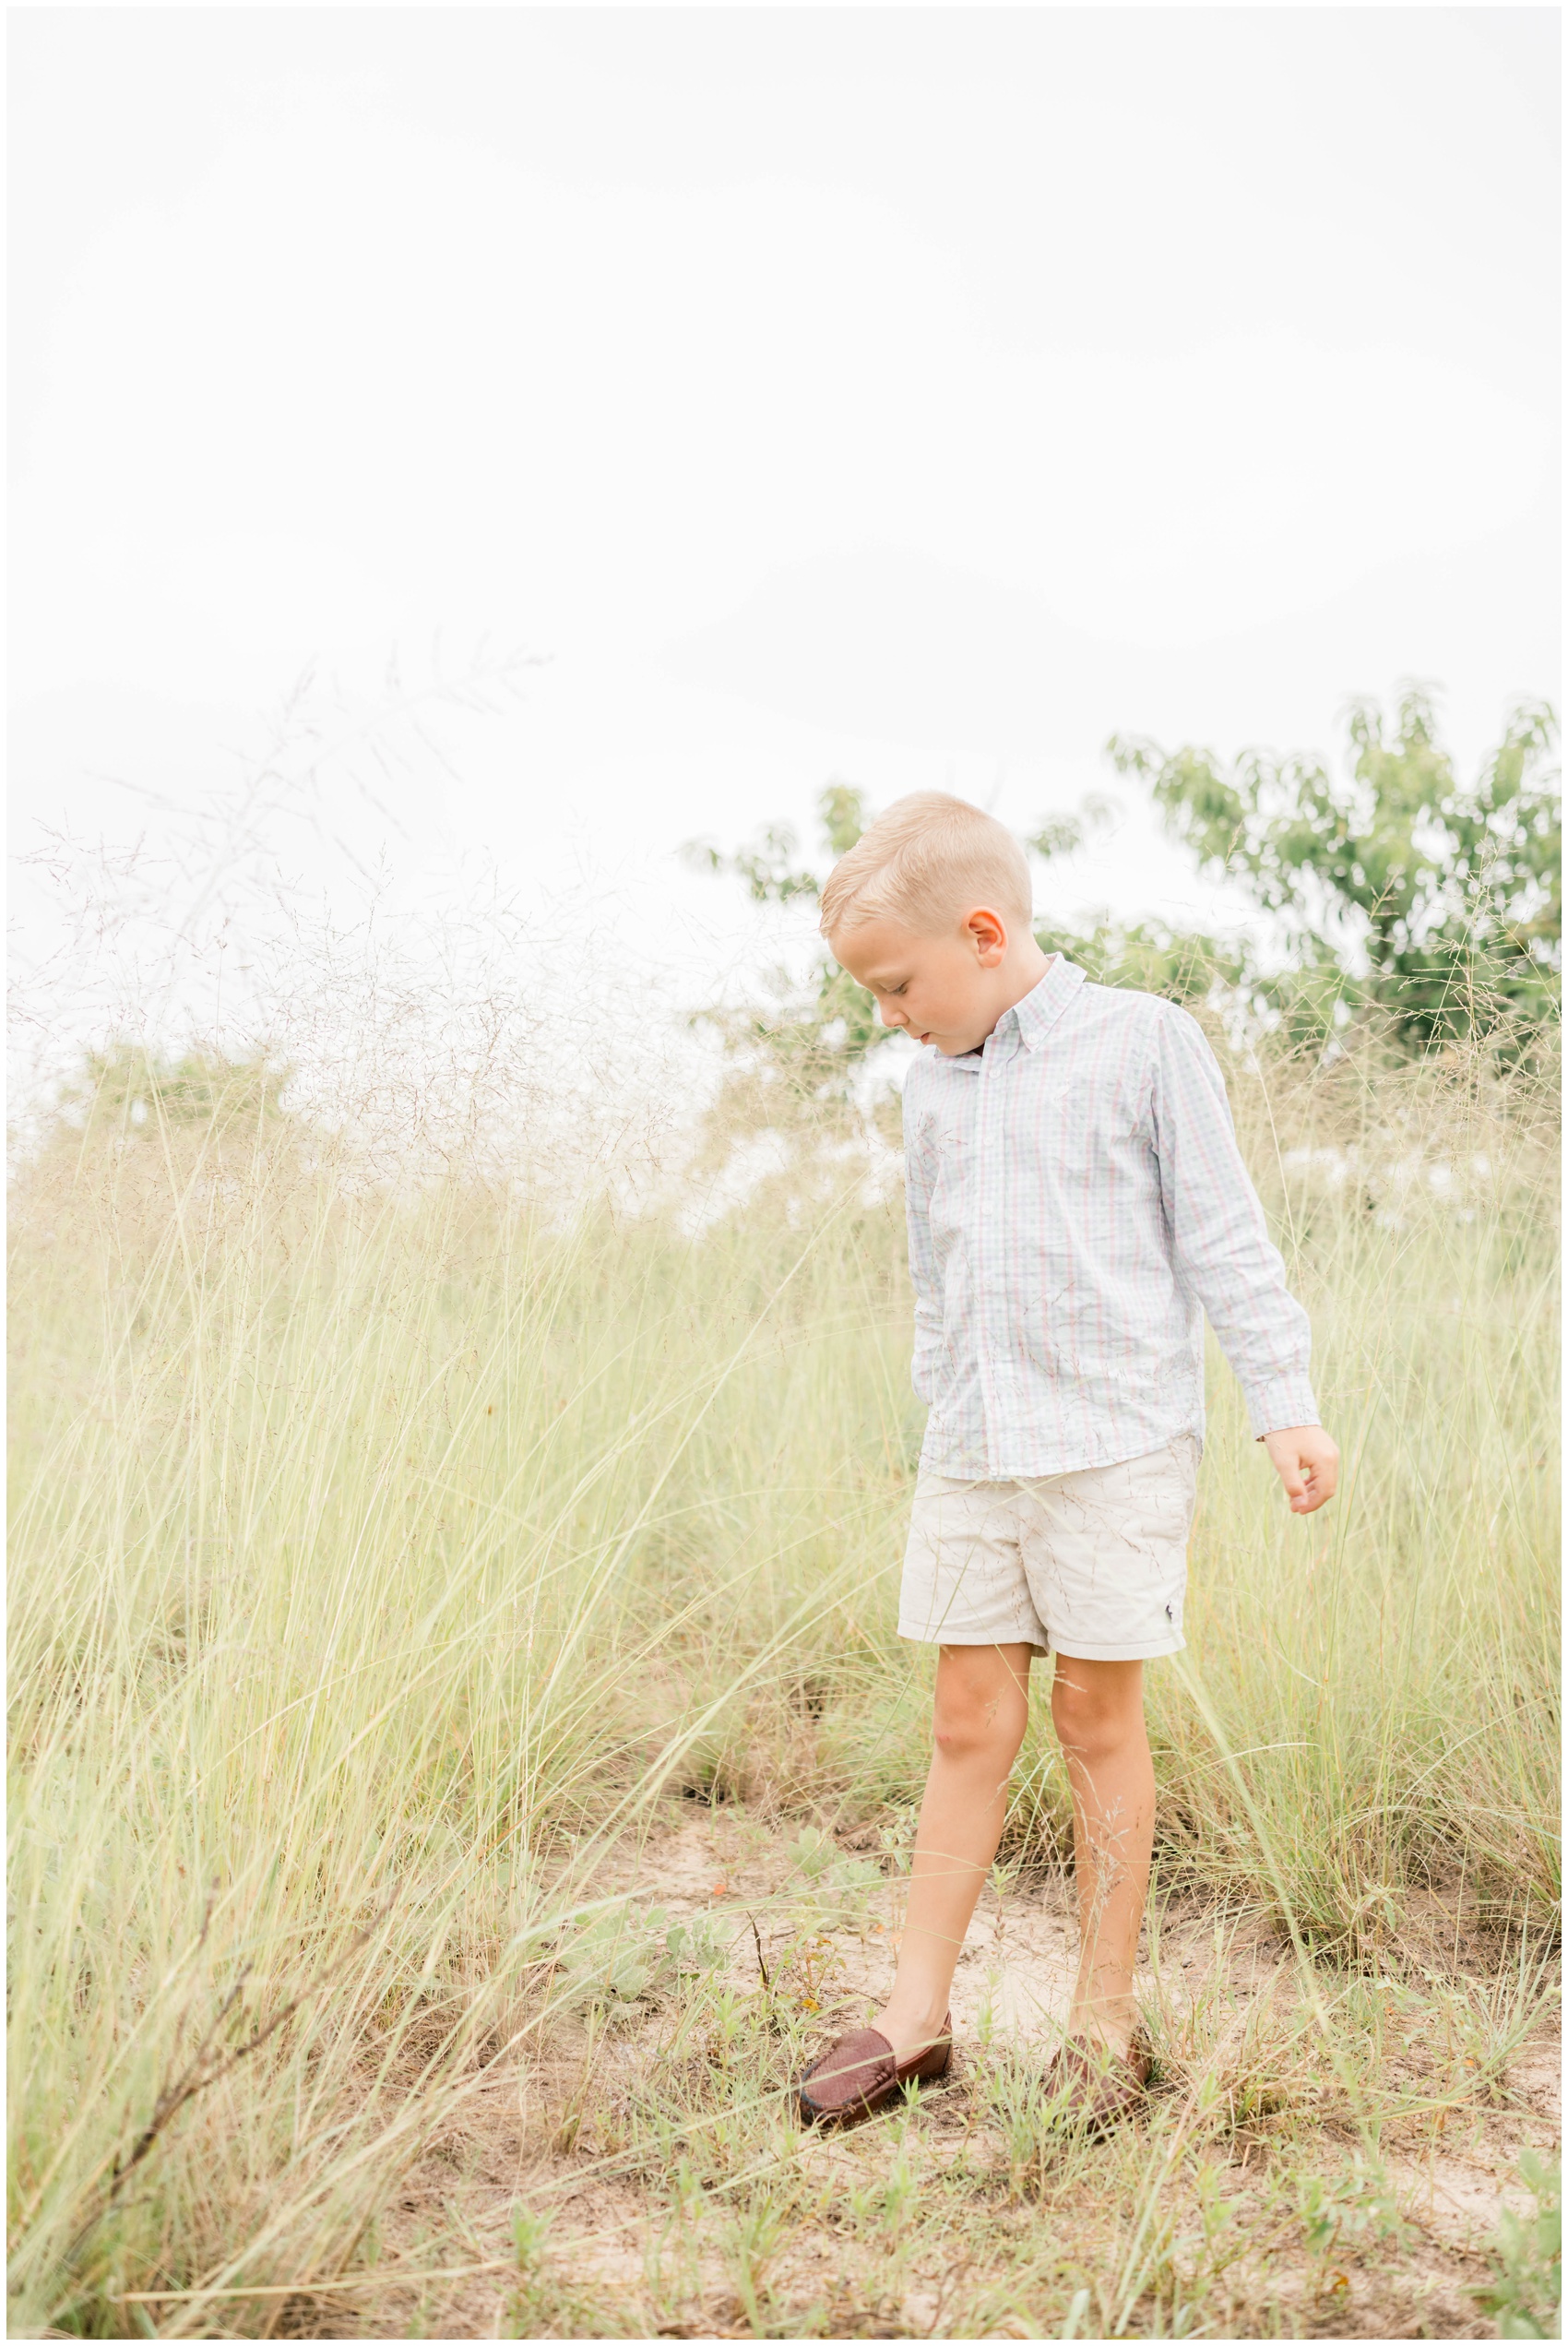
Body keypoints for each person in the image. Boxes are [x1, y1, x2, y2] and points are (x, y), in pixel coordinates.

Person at [795, 793, 1339, 2130]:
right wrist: (935, 1420)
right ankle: (917, 2018)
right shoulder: (932, 1090)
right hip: (977, 1450)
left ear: (984, 933)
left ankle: (1104, 2021)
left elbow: (1224, 1237)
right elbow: (938, 1277)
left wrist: (1287, 1405)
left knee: (1096, 1720)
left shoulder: (1143, 1043)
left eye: (899, 985)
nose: (890, 1017)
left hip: (1113, 1448)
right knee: (965, 1720)